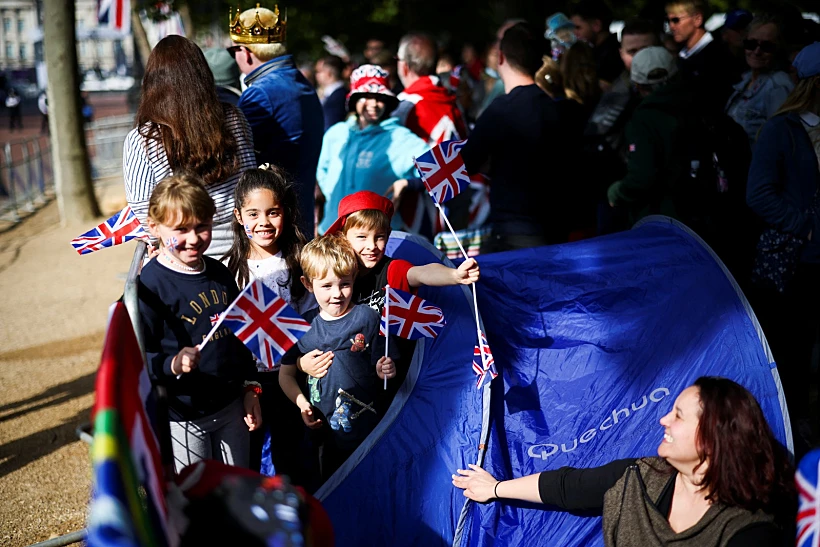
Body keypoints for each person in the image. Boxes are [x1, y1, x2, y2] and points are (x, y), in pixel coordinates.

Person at [453, 377, 795, 546]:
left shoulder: (749, 533)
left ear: (711, 436)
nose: (663, 420)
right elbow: (567, 487)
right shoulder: (641, 478)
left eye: (677, 415)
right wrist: (495, 488)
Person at [138, 175, 262, 472]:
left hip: (232, 406)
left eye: (202, 227)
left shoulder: (219, 272)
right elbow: (139, 361)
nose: (193, 238)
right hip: (183, 417)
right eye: (180, 229)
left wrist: (250, 389)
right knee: (197, 499)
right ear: (154, 227)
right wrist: (172, 364)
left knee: (238, 488)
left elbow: (241, 336)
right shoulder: (149, 287)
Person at [746, 42, 820, 459]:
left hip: (810, 258)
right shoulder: (782, 129)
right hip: (793, 264)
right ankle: (793, 435)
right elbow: (758, 195)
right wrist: (806, 228)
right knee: (791, 352)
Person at [278, 234, 398, 481]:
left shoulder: (368, 317)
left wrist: (386, 369)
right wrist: (302, 404)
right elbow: (285, 374)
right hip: (322, 435)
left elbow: (383, 363)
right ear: (308, 284)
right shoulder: (301, 326)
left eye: (344, 284)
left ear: (354, 278)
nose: (337, 294)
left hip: (370, 430)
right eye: (326, 286)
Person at [124, 35, 256, 258]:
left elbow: (142, 208)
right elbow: (250, 184)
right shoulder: (233, 118)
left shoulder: (142, 138)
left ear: (153, 82)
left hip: (180, 255)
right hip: (240, 251)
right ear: (203, 74)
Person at [460, 22, 585, 253]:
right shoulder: (562, 110)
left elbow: (466, 162)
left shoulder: (501, 109)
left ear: (500, 58)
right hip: (556, 228)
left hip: (513, 232)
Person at [229, 3, 324, 238]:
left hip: (272, 226)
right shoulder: (301, 83)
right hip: (298, 218)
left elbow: (234, 155)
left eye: (234, 51)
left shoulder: (260, 92)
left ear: (246, 52)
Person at [323, 191, 480, 314]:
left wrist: (454, 275)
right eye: (361, 237)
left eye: (379, 237)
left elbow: (422, 273)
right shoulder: (333, 269)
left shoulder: (393, 270)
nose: (371, 246)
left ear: (388, 235)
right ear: (342, 236)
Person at [315, 64, 427, 235]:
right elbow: (322, 170)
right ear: (353, 100)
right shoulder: (336, 133)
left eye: (380, 97)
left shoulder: (400, 138)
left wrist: (408, 183)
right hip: (332, 234)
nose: (373, 104)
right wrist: (335, 196)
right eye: (365, 96)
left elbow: (437, 171)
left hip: (375, 241)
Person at [725, 14, 794, 148]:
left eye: (766, 46)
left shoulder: (778, 86)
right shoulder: (746, 79)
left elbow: (783, 141)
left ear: (778, 49)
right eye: (751, 44)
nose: (757, 51)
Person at [665, 0, 741, 112]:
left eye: (676, 20)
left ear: (697, 19)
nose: (671, 26)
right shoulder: (682, 55)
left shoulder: (718, 56)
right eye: (668, 20)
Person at [569, 0, 625, 90]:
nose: (574, 33)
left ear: (596, 25)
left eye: (578, 27)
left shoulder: (611, 55)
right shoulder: (602, 51)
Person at [315, 55, 348, 132]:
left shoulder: (338, 96)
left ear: (328, 73)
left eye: (319, 71)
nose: (316, 75)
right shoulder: (330, 94)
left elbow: (329, 125)